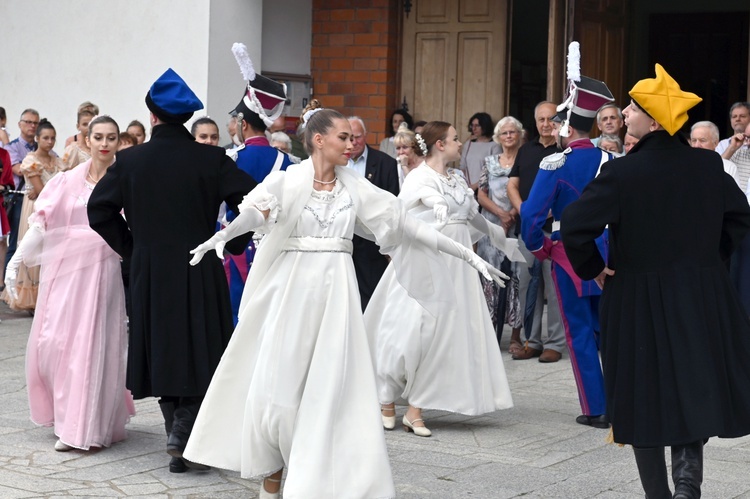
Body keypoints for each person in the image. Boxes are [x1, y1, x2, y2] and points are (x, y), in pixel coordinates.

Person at [183, 105, 506, 498]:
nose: (351, 144)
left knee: (331, 386)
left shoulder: (355, 186)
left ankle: (317, 477)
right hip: (290, 293)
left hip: (336, 292)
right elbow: (254, 212)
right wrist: (220, 237)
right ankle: (272, 466)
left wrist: (466, 254)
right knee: (278, 386)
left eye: (352, 138)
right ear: (318, 140)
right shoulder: (288, 181)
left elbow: (406, 225)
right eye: (343, 137)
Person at [561, 63, 750, 499]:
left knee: (640, 393)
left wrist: (595, 269)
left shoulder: (624, 173)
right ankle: (687, 485)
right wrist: (707, 261)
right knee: (694, 383)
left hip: (635, 294)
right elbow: (740, 220)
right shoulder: (707, 167)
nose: (624, 113)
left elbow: (573, 226)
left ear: (654, 119)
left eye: (633, 106)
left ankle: (659, 495)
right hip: (698, 294)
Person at [87, 68, 257, 474]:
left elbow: (99, 211)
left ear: (152, 116)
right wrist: (228, 242)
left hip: (149, 268)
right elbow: (252, 202)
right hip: (199, 264)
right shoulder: (211, 158)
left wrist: (133, 248)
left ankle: (177, 431)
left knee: (160, 345)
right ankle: (182, 431)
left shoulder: (130, 161)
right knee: (201, 346)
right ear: (185, 117)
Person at [366, 120, 523, 438]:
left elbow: (471, 216)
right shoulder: (418, 178)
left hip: (459, 267)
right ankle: (385, 397)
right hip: (424, 263)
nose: (459, 143)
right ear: (440, 144)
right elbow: (400, 216)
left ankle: (416, 408)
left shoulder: (456, 178)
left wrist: (499, 237)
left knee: (446, 336)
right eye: (454, 139)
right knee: (410, 332)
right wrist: (431, 204)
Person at [5, 115, 135, 452]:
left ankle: (82, 426)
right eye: (98, 137)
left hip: (103, 273)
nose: (105, 144)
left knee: (92, 345)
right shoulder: (65, 181)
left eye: (111, 137)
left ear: (118, 142)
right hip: (65, 274)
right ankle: (65, 416)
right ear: (86, 140)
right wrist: (16, 262)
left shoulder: (127, 181)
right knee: (56, 344)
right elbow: (41, 222)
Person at [521, 46, 615, 427]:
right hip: (608, 252)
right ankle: (622, 400)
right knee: (607, 330)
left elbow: (531, 214)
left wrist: (539, 246)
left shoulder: (554, 162)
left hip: (567, 253)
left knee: (578, 333)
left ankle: (596, 407)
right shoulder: (610, 159)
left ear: (566, 128)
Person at [223, 45, 294, 324]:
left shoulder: (231, 158)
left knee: (237, 315)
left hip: (235, 248)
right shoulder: (288, 160)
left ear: (242, 122)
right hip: (275, 247)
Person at [506, 101, 566, 362]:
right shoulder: (525, 150)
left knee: (553, 288)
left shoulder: (565, 151)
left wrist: (544, 212)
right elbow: (512, 184)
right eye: (541, 119)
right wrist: (526, 211)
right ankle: (532, 341)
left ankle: (554, 343)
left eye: (551, 118)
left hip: (553, 231)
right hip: (526, 230)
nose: (545, 123)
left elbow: (569, 187)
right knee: (527, 287)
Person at [4, 119, 64, 311]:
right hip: (36, 208)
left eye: (53, 138)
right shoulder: (31, 160)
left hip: (54, 207)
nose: (50, 142)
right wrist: (46, 191)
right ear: (37, 138)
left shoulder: (56, 159)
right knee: (32, 249)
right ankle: (31, 298)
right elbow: (41, 189)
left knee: (50, 250)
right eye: (46, 138)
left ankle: (46, 295)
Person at [477, 116, 525, 353]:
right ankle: (489, 336)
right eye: (504, 133)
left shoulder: (525, 161)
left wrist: (514, 213)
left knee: (516, 280)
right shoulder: (489, 162)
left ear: (519, 135)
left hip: (517, 226)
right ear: (498, 137)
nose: (508, 136)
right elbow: (481, 194)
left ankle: (515, 337)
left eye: (512, 132)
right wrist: (501, 214)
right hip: (492, 228)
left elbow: (528, 190)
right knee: (489, 279)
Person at [347, 115, 400, 310]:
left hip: (372, 244)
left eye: (358, 137)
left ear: (366, 135)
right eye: (349, 137)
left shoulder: (385, 163)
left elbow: (392, 201)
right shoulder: (337, 164)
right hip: (344, 238)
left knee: (372, 299)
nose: (353, 142)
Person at [3, 109, 42, 273]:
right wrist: (41, 170)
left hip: (39, 199)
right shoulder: (11, 147)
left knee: (35, 243)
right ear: (20, 124)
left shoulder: (42, 146)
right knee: (16, 242)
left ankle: (28, 284)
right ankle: (8, 281)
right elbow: (19, 170)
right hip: (19, 199)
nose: (32, 126)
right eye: (28, 122)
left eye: (35, 123)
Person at [460, 112, 501, 190]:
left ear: (485, 126)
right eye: (472, 125)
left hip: (485, 189)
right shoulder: (468, 144)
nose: (474, 128)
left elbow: (493, 171)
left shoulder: (494, 145)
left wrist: (475, 186)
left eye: (477, 125)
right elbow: (463, 166)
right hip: (467, 188)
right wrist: (465, 185)